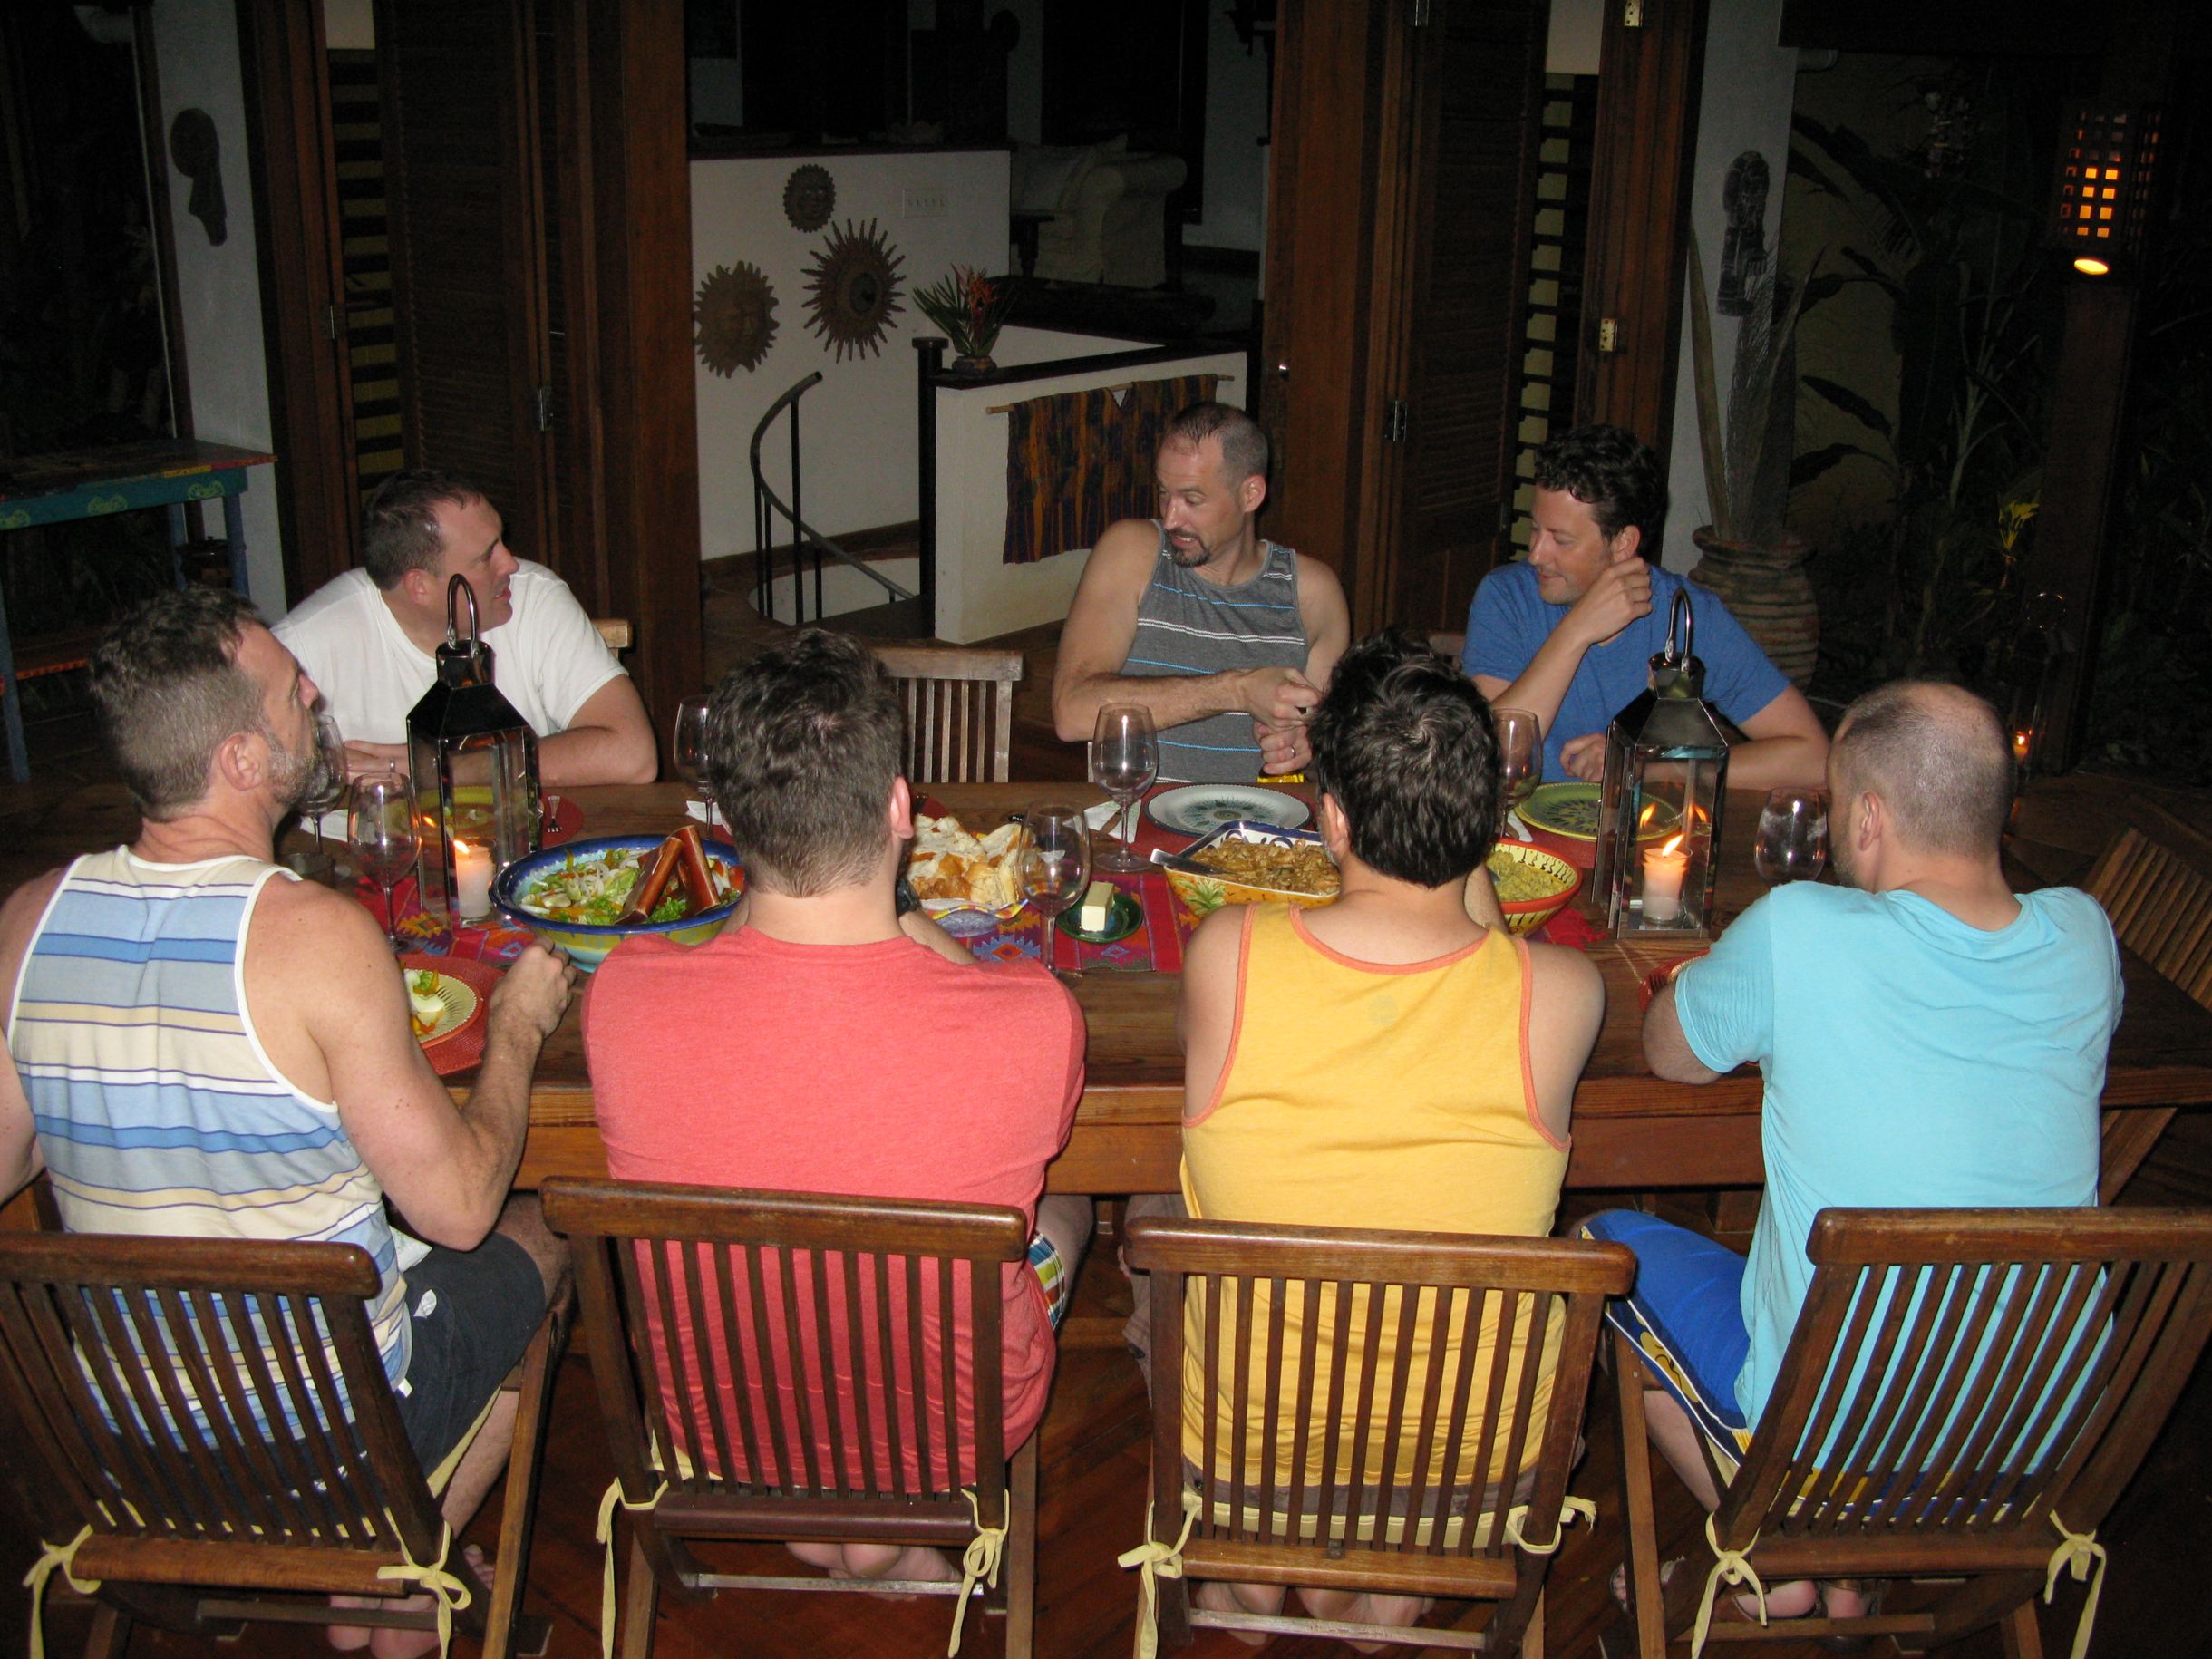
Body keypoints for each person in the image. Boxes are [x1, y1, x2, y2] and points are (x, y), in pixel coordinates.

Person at [0, 588, 578, 1659]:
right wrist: (514, 1029)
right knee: (544, 1231)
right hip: (332, 1449)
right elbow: (459, 1209)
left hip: (127, 1448)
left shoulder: (28, 923)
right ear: (239, 759)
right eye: (289, 693)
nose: (313, 694)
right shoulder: (317, 936)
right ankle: (402, 1585)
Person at [1585, 680, 2121, 1623]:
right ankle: (1845, 1564)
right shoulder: (2086, 935)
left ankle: (1770, 1548)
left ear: (1868, 817)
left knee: (1603, 1250)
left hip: (1832, 1430)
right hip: (2026, 1434)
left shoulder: (1800, 930)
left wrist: (1694, 982)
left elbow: (1673, 1055)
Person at [581, 628, 1091, 1589]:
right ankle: (882, 1533)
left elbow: (735, 975)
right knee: (1073, 1205)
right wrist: (907, 917)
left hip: (724, 1427)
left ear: (728, 821)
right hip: (955, 1433)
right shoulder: (1036, 1019)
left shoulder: (622, 997)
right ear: (902, 808)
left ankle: (842, 1530)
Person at [1174, 630, 1605, 1640]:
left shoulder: (1226, 951)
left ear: (1331, 819)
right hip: (1478, 1471)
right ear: (1486, 824)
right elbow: (1487, 945)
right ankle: (1394, 1578)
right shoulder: (1564, 992)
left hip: (1247, 1460)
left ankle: (1254, 1576)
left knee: (1170, 1224)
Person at [1461, 423, 1827, 791]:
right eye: (1535, 528)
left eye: (1561, 540)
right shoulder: (1506, 597)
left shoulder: (1686, 615)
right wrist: (1575, 633)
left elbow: (1812, 758)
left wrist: (1645, 765)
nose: (1536, 554)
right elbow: (1483, 759)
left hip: (1642, 825)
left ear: (1623, 542)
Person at [275, 469, 657, 786]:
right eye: (485, 557)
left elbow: (634, 755)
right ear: (419, 586)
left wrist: (441, 769)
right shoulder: (303, 646)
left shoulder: (534, 598)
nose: (511, 564)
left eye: (501, 541)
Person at [1053, 402, 1350, 782]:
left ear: (1251, 494)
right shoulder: (1132, 553)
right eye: (1164, 493)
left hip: (1263, 819)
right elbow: (1071, 712)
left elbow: (1331, 750)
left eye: (1192, 500)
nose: (1171, 518)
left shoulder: (1312, 593)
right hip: (1140, 816)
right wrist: (1236, 691)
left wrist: (1305, 747)